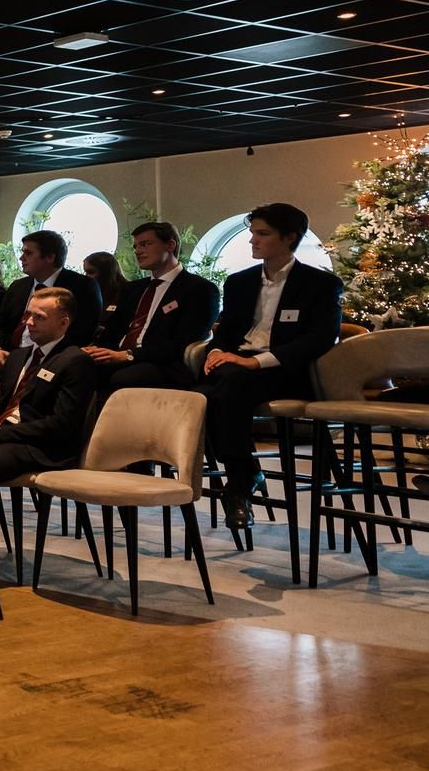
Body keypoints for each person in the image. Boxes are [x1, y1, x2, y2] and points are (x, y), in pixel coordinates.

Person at [198, 203, 343, 529]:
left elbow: (319, 339)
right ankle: (244, 473)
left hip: (285, 370)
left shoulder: (320, 284)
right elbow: (225, 332)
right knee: (198, 392)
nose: (253, 240)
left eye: (262, 234)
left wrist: (254, 361)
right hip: (235, 368)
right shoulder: (239, 282)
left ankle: (240, 481)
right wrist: (215, 352)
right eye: (253, 233)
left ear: (289, 237)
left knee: (227, 386)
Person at [0, 286, 100, 579]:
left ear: (64, 322)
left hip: (43, 448)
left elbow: (61, 425)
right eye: (28, 315)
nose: (29, 322)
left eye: (39, 317)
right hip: (6, 437)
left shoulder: (75, 361)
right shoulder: (18, 357)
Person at [86, 221, 221, 391]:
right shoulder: (133, 289)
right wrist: (95, 349)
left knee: (124, 377)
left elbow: (183, 342)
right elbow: (114, 329)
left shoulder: (199, 289)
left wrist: (128, 355)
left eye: (145, 244)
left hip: (163, 363)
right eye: (136, 246)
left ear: (170, 245)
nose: (138, 251)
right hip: (119, 356)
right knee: (75, 362)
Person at [0, 229, 100, 356]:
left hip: (52, 358)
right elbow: (0, 325)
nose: (21, 258)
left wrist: (36, 357)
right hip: (8, 355)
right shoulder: (18, 286)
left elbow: (81, 333)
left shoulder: (83, 287)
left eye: (28, 253)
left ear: (50, 257)